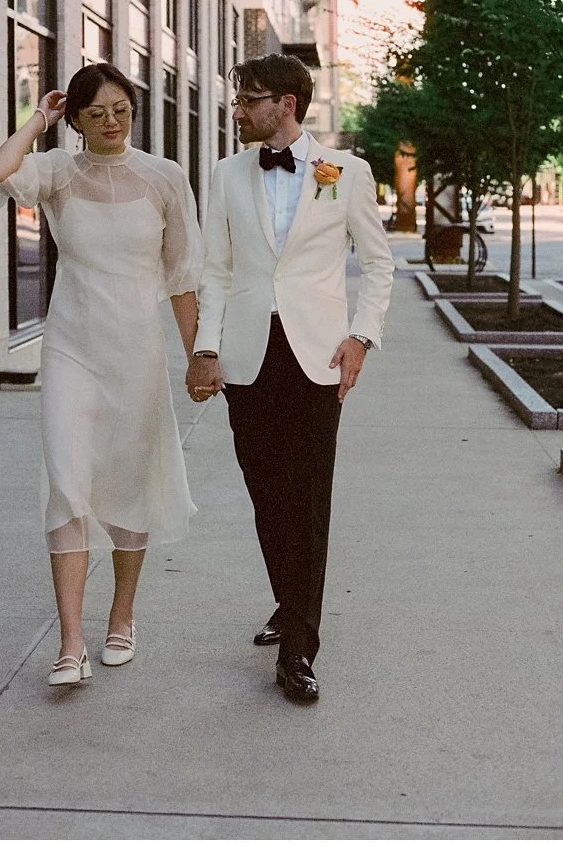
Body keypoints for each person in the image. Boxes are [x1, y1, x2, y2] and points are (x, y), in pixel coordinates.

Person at [0, 64, 202, 687]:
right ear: (76, 119)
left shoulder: (164, 177)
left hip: (136, 354)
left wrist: (198, 357)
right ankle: (70, 642)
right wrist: (39, 118)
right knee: (67, 484)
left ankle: (121, 618)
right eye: (97, 112)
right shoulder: (56, 170)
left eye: (121, 110)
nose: (111, 122)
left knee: (131, 484)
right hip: (71, 350)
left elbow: (183, 276)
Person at [186, 54, 394, 703]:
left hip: (317, 355)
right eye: (237, 99)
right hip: (248, 353)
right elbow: (215, 269)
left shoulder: (343, 172)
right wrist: (206, 347)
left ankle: (300, 645)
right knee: (266, 492)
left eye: (248, 99)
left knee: (308, 497)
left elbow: (378, 265)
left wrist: (362, 336)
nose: (237, 110)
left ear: (286, 103)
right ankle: (289, 597)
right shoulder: (227, 174)